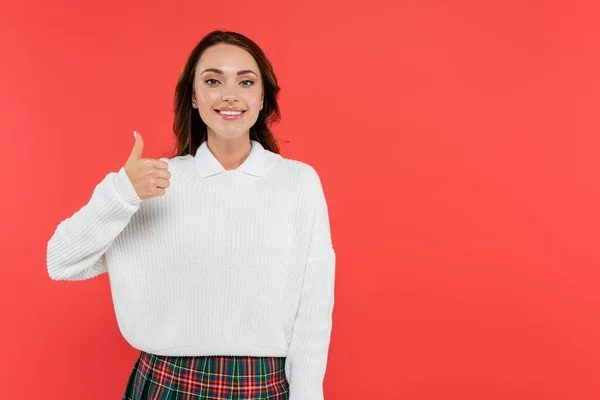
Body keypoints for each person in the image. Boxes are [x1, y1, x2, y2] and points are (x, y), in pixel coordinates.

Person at [46, 30, 336, 400]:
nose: (230, 94)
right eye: (213, 81)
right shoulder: (153, 182)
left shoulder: (298, 182)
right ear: (194, 98)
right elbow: (61, 262)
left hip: (264, 385)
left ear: (262, 98)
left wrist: (308, 394)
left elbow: (314, 309)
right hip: (168, 382)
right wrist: (121, 192)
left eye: (245, 82)